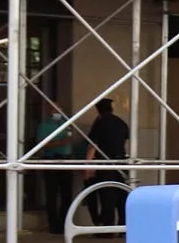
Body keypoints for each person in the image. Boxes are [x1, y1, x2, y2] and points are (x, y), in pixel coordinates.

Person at [83, 97, 130, 228]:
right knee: (121, 195)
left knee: (107, 196)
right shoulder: (121, 122)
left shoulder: (100, 122)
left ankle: (107, 228)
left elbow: (93, 145)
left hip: (105, 163)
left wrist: (87, 167)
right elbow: (124, 141)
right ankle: (123, 227)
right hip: (121, 161)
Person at [35, 100, 78, 235]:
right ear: (49, 111)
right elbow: (42, 144)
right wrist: (60, 142)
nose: (57, 112)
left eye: (59, 109)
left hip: (66, 161)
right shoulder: (44, 126)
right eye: (54, 110)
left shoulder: (66, 124)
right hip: (51, 159)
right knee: (51, 195)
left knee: (67, 195)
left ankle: (64, 224)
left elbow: (71, 138)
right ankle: (53, 226)